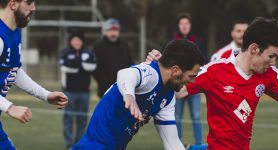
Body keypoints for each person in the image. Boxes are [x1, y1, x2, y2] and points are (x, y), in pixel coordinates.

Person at [146, 17, 278, 150]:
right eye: (271, 56)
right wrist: (160, 68)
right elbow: (180, 92)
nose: (273, 62)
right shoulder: (215, 71)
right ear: (254, 48)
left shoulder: (269, 74)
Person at [73, 39, 206, 150]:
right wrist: (128, 95)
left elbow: (172, 144)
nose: (192, 81)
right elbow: (126, 73)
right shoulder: (151, 73)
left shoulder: (168, 97)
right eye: (191, 76)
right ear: (175, 70)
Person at [0, 0, 68, 149]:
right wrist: (9, 107)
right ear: (13, 4)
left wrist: (46, 95)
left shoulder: (13, 32)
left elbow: (14, 71)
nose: (33, 8)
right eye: (29, 2)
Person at [163, 13, 207, 146]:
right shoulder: (170, 43)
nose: (184, 26)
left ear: (190, 25)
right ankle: (178, 144)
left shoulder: (199, 42)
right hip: (177, 85)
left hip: (194, 84)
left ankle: (199, 145)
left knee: (196, 116)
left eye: (187, 24)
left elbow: (204, 62)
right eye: (182, 24)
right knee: (176, 117)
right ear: (178, 26)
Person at [59, 32, 96, 150]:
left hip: (85, 92)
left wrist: (80, 63)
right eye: (74, 40)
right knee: (68, 119)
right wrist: (77, 65)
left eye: (79, 40)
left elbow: (93, 66)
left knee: (82, 119)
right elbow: (63, 67)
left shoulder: (88, 53)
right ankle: (69, 145)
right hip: (69, 92)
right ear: (70, 41)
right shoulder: (65, 52)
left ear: (82, 41)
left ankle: (79, 145)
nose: (77, 42)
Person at [92, 18, 133, 98]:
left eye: (115, 30)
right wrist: (103, 82)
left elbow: (130, 63)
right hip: (105, 89)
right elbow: (95, 68)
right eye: (110, 30)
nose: (113, 33)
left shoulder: (124, 45)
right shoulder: (98, 46)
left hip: (123, 88)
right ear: (105, 31)